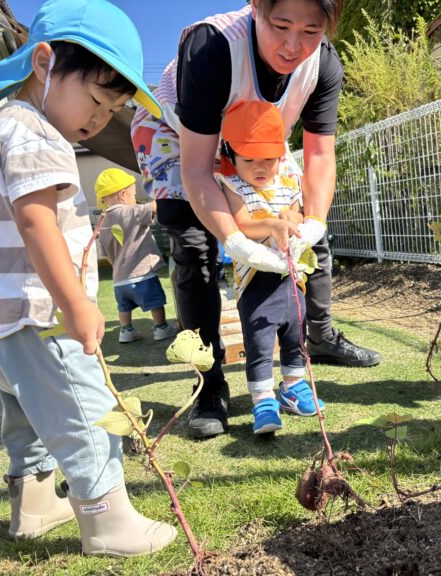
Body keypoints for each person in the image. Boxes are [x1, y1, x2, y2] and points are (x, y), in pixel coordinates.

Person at [0, 0, 176, 556]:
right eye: (97, 101)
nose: (99, 121)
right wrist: (76, 302)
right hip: (39, 314)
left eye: (112, 110)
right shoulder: (38, 136)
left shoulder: (0, 125)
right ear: (44, 62)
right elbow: (36, 221)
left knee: (28, 412)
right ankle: (107, 520)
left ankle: (34, 502)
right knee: (85, 407)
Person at [131, 0, 381, 440]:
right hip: (180, 133)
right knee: (194, 247)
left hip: (259, 141)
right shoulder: (211, 47)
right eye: (281, 25)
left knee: (301, 227)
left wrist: (314, 222)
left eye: (310, 30)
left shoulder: (323, 63)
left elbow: (320, 153)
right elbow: (196, 169)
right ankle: (209, 383)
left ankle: (315, 337)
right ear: (256, 9)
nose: (292, 45)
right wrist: (236, 239)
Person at [216, 100, 324, 434]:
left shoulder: (290, 184)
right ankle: (262, 400)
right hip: (255, 284)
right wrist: (274, 226)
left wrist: (291, 218)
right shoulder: (233, 186)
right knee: (260, 342)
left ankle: (293, 387)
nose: (260, 167)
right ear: (232, 156)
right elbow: (242, 224)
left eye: (269, 159)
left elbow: (297, 213)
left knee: (296, 335)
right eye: (249, 160)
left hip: (292, 281)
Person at [94, 168, 179, 344]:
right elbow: (154, 207)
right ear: (123, 195)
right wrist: (169, 191)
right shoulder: (129, 212)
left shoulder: (102, 223)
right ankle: (161, 328)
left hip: (119, 280)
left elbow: (105, 254)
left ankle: (126, 331)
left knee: (124, 308)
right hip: (142, 274)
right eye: (134, 195)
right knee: (155, 301)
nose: (135, 199)